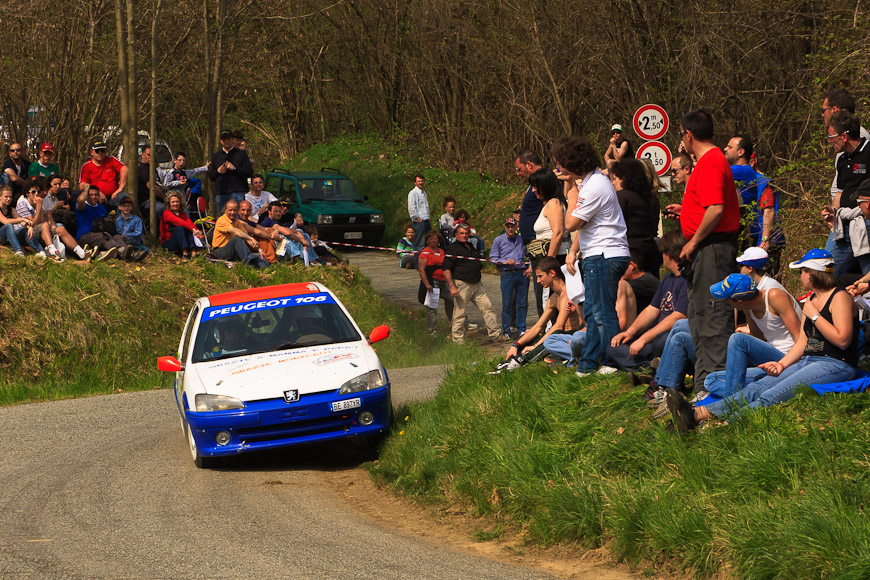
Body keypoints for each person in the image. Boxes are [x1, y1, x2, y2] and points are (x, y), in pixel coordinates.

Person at [667, 249, 859, 432]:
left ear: (811, 274)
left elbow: (842, 340)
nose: (800, 276)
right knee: (758, 386)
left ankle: (727, 423)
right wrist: (781, 365)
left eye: (802, 271)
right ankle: (696, 414)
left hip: (835, 363)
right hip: (809, 359)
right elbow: (803, 342)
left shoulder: (839, 297)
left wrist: (815, 316)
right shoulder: (811, 300)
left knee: (772, 393)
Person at [675, 109, 741, 393]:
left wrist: (692, 241)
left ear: (688, 136)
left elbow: (716, 208)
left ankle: (716, 392)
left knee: (713, 318)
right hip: (706, 249)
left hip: (712, 249)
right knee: (699, 318)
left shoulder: (712, 161)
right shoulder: (707, 162)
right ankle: (704, 387)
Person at [554, 136, 631, 376]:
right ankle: (588, 363)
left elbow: (571, 224)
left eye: (560, 163)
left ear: (573, 163)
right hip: (598, 253)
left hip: (604, 254)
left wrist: (571, 197)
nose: (558, 169)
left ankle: (614, 360)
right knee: (593, 312)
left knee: (602, 312)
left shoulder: (595, 186)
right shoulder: (592, 182)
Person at [699, 272, 802, 400]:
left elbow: (800, 338)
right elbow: (759, 338)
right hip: (770, 362)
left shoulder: (774, 296)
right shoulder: (749, 308)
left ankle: (733, 401)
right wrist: (748, 330)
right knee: (711, 380)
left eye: (727, 300)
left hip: (790, 360)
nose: (727, 303)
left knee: (737, 339)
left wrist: (783, 364)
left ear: (740, 302)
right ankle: (752, 391)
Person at [604, 230, 688, 373]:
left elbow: (678, 316)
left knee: (662, 342)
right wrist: (630, 333)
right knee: (613, 348)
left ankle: (648, 368)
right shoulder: (667, 279)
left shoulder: (687, 280)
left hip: (671, 338)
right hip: (656, 338)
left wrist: (644, 339)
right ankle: (652, 367)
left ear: (668, 254)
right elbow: (651, 310)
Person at [491, 257, 583, 373]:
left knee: (548, 339)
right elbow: (538, 326)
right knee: (531, 336)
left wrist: (536, 346)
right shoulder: (553, 298)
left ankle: (520, 361)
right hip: (560, 335)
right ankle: (513, 359)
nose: (538, 281)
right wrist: (516, 344)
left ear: (552, 273)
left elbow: (558, 326)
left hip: (571, 335)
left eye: (540, 276)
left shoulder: (567, 293)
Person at [822, 110, 870, 278]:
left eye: (831, 137)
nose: (829, 142)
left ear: (843, 137)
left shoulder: (869, 152)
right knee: (826, 274)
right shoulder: (842, 160)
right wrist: (832, 210)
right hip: (843, 227)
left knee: (867, 279)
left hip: (866, 224)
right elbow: (840, 195)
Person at [442, 222, 508, 344]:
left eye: (466, 233)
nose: (464, 235)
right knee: (459, 313)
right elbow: (446, 269)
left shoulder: (471, 246)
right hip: (462, 284)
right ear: (456, 234)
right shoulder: (452, 249)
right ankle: (457, 341)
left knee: (488, 308)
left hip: (477, 284)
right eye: (461, 233)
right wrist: (452, 286)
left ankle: (496, 334)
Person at [610, 158, 662, 275]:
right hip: (650, 249)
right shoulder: (651, 197)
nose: (613, 183)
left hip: (630, 252)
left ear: (624, 178)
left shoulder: (622, 197)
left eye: (615, 178)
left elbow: (614, 226)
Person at [514, 150, 545, 315]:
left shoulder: (543, 182)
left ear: (529, 165)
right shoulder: (533, 185)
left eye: (519, 169)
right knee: (539, 291)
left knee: (543, 291)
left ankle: (547, 332)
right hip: (533, 248)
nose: (518, 173)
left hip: (541, 246)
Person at [489, 217, 528, 340]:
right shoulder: (498, 240)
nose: (510, 229)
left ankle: (521, 328)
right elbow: (492, 259)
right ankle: (506, 329)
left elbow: (530, 254)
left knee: (522, 302)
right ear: (505, 227)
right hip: (507, 274)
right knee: (507, 303)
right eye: (508, 226)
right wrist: (504, 262)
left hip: (521, 273)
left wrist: (530, 266)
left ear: (516, 227)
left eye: (512, 226)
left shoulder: (522, 239)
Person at [416, 229, 454, 336]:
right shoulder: (425, 253)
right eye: (431, 239)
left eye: (435, 239)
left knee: (451, 300)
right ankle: (432, 330)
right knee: (432, 308)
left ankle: (453, 322)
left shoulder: (442, 251)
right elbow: (421, 270)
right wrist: (427, 284)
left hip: (443, 281)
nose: (433, 240)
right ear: (427, 241)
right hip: (433, 282)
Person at [211, 200, 268, 268]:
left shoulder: (237, 222)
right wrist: (251, 238)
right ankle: (248, 262)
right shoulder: (221, 220)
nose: (232, 212)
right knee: (237, 238)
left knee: (259, 256)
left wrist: (259, 249)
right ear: (225, 210)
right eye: (230, 210)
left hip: (233, 251)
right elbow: (235, 231)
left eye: (234, 210)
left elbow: (246, 238)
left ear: (237, 211)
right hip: (220, 251)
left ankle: (266, 269)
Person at [528, 168, 568, 262]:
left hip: (556, 257)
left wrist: (549, 261)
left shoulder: (554, 203)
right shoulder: (549, 204)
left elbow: (558, 233)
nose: (533, 190)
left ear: (545, 186)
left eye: (535, 187)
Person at [75, 185, 125, 261]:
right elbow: (81, 200)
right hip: (84, 236)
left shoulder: (102, 208)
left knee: (116, 236)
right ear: (87, 195)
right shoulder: (82, 206)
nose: (93, 197)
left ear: (99, 196)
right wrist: (87, 188)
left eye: (96, 195)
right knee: (103, 236)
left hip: (101, 235)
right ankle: (118, 251)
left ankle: (125, 251)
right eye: (90, 195)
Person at [208, 130, 253, 214]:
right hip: (221, 193)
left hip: (237, 191)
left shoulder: (241, 154)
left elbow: (249, 172)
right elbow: (211, 177)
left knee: (238, 218)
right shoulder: (216, 155)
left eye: (228, 138)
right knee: (223, 218)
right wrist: (218, 171)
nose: (226, 141)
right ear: (221, 141)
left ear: (232, 139)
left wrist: (234, 168)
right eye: (223, 139)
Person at [78, 138, 128, 207]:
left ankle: (122, 218)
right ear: (91, 152)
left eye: (102, 150)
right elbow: (82, 185)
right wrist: (97, 193)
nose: (100, 153)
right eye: (97, 150)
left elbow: (124, 169)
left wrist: (120, 188)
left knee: (124, 198)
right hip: (95, 198)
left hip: (113, 196)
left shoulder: (111, 160)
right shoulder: (86, 166)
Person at [0, 185, 41, 257]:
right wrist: (22, 219)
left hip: (9, 236)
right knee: (8, 226)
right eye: (6, 197)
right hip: (1, 235)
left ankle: (40, 250)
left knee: (24, 229)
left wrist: (29, 227)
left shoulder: (11, 209)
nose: (8, 199)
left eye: (10, 197)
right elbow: (6, 221)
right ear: (0, 197)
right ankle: (18, 250)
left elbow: (20, 221)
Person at [160, 190, 203, 258]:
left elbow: (189, 223)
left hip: (181, 240)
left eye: (177, 201)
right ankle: (184, 252)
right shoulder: (167, 213)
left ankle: (193, 250)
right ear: (169, 203)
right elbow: (179, 222)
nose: (175, 204)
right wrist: (192, 229)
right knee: (180, 228)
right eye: (173, 202)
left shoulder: (182, 213)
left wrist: (197, 232)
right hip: (168, 242)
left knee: (188, 228)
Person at [137, 146, 166, 221]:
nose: (151, 157)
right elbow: (151, 186)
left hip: (155, 198)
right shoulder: (142, 168)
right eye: (149, 155)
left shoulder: (151, 168)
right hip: (145, 201)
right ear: (142, 155)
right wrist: (165, 199)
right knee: (161, 209)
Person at [407, 174, 431, 253]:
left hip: (426, 220)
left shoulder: (424, 193)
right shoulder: (413, 193)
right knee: (419, 244)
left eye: (422, 181)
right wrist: (416, 217)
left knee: (429, 242)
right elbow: (411, 207)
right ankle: (417, 264)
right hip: (419, 222)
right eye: (418, 181)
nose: (421, 183)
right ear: (415, 183)